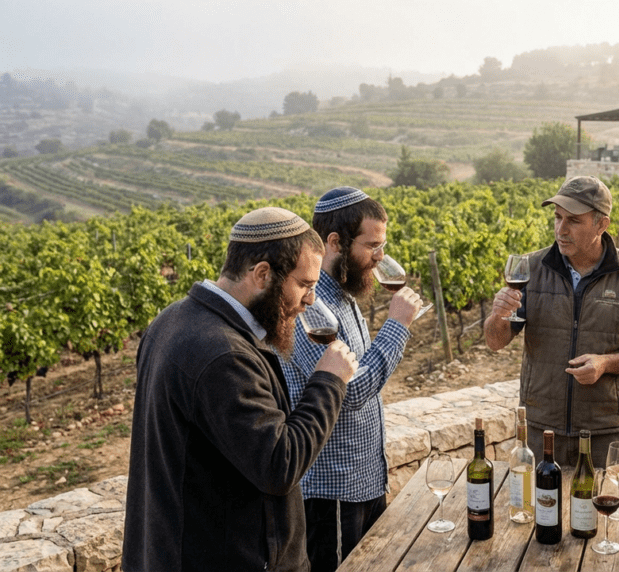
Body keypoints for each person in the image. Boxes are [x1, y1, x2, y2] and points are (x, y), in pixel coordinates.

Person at [123, 206, 360, 572]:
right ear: (263, 274)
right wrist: (329, 382)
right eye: (305, 285)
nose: (311, 300)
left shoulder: (170, 321)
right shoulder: (223, 354)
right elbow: (279, 463)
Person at [281, 187, 423, 570]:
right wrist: (397, 325)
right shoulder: (312, 309)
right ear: (334, 242)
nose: (380, 257)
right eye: (372, 245)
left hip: (363, 478)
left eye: (383, 244)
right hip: (333, 488)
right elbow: (353, 389)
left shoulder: (344, 296)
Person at [484, 175, 619, 467]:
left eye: (574, 221)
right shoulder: (531, 269)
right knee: (540, 511)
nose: (561, 229)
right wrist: (498, 316)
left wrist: (605, 364)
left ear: (601, 225)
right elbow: (495, 341)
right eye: (557, 217)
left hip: (606, 433)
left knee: (598, 512)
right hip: (542, 430)